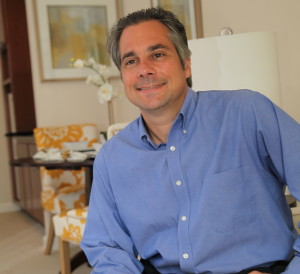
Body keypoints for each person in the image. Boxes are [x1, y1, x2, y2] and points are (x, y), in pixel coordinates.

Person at [81, 7, 300, 274]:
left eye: (157, 54)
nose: (144, 70)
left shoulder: (248, 113)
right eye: (131, 61)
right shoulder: (111, 158)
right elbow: (107, 249)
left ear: (186, 63)